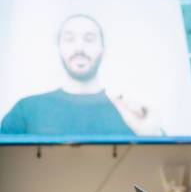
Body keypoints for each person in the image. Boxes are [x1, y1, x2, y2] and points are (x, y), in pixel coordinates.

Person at [0, 14, 161, 136]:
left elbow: (158, 174)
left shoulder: (130, 113)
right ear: (59, 48)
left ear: (102, 48)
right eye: (69, 39)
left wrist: (151, 137)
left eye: (89, 39)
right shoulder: (26, 110)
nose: (79, 48)